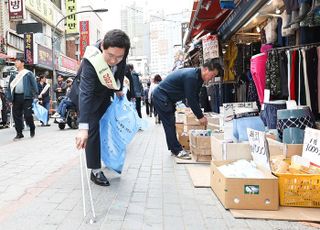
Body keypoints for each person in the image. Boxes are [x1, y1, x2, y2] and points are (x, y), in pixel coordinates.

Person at [75, 29, 130, 186]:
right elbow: (85, 94)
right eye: (110, 56)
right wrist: (83, 128)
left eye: (119, 57)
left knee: (107, 126)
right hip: (89, 95)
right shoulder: (90, 61)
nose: (114, 61)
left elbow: (120, 70)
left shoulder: (121, 55)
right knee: (92, 129)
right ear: (102, 47)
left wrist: (118, 89)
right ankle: (95, 170)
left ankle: (109, 157)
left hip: (105, 94)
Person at [152, 59, 223, 159]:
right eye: (212, 75)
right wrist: (200, 116)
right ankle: (177, 151)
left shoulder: (198, 77)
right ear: (206, 69)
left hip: (167, 98)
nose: (212, 78)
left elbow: (196, 97)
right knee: (169, 123)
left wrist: (200, 112)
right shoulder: (191, 77)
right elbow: (191, 99)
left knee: (171, 123)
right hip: (161, 97)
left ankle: (174, 148)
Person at [7, 57, 38, 140]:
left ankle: (32, 127)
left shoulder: (28, 73)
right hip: (16, 97)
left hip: (27, 97)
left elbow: (34, 85)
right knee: (16, 116)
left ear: (22, 63)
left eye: (17, 61)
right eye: (15, 62)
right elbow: (9, 87)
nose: (16, 63)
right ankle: (19, 133)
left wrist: (35, 96)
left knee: (28, 115)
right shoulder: (13, 75)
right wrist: (9, 99)